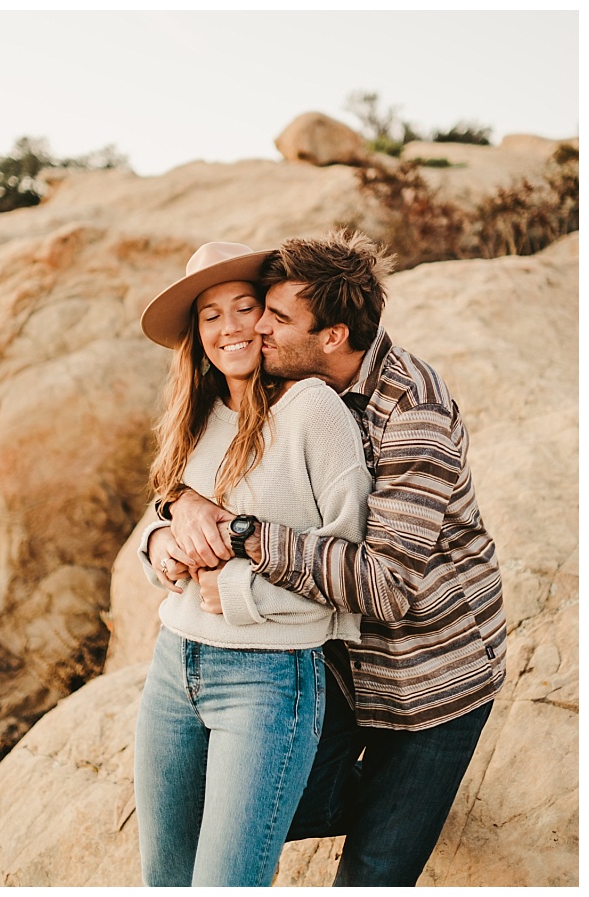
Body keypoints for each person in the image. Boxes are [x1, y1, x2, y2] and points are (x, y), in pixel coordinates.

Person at [155, 230, 507, 886]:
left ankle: (407, 803)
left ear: (333, 337)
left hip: (428, 674)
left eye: (276, 318)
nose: (257, 329)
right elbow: (207, 459)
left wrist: (244, 536)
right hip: (340, 663)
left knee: (375, 868)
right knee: (269, 808)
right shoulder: (291, 379)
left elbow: (387, 586)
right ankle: (386, 800)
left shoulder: (414, 412)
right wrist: (179, 504)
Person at [132, 242, 373, 886]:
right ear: (197, 333)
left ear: (268, 317)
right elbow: (159, 514)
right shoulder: (198, 412)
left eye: (245, 307)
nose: (232, 327)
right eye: (210, 315)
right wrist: (160, 543)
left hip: (268, 679)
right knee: (165, 878)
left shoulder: (312, 411)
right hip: (173, 666)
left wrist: (238, 590)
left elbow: (354, 564)